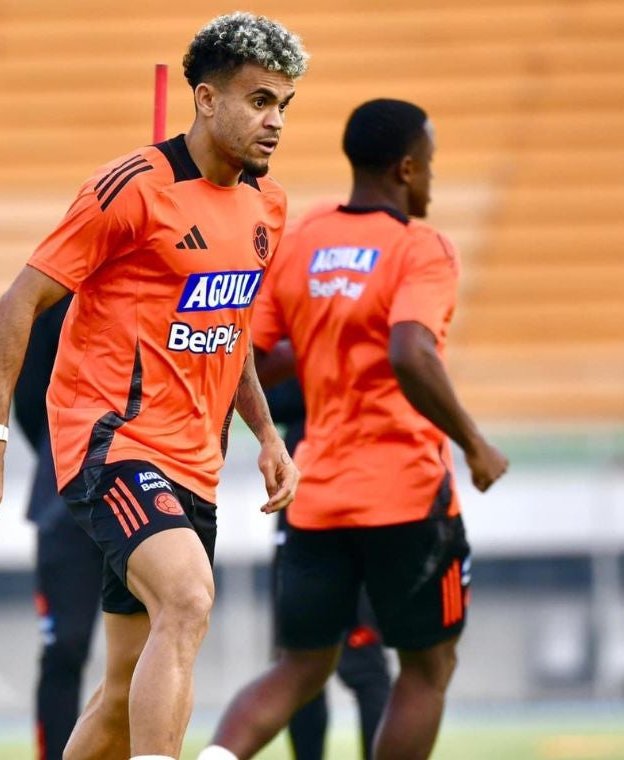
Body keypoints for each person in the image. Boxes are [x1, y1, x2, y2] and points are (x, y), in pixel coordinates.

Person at [0, 13, 306, 760]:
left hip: (193, 464)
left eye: (284, 105)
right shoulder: (132, 188)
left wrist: (267, 436)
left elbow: (228, 329)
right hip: (110, 441)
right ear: (206, 100)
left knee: (117, 697)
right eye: (259, 101)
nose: (275, 121)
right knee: (188, 596)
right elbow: (19, 301)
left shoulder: (267, 206)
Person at [198, 99, 509, 760]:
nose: (431, 180)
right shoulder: (420, 250)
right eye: (429, 166)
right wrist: (475, 444)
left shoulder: (305, 237)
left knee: (300, 667)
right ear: (405, 168)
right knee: (426, 671)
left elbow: (248, 356)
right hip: (405, 495)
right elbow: (409, 352)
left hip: (318, 495)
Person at [263, 374, 391, 760]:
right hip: (307, 519)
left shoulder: (343, 345)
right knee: (301, 669)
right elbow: (266, 397)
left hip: (350, 519)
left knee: (358, 669)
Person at [14, 293, 107, 760]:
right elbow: (29, 399)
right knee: (64, 649)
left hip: (148, 487)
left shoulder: (160, 275)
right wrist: (66, 455)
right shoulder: (56, 295)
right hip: (65, 503)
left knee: (149, 652)